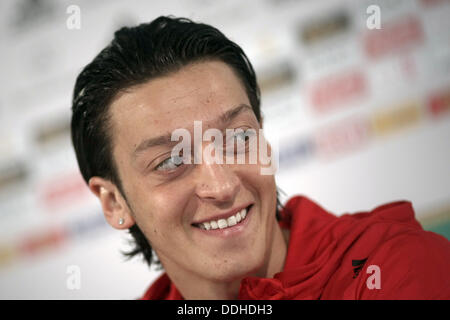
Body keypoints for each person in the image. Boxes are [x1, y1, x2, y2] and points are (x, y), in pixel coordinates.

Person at [70, 16, 450, 300]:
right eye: (171, 161)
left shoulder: (397, 274)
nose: (221, 185)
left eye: (238, 137)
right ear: (114, 201)